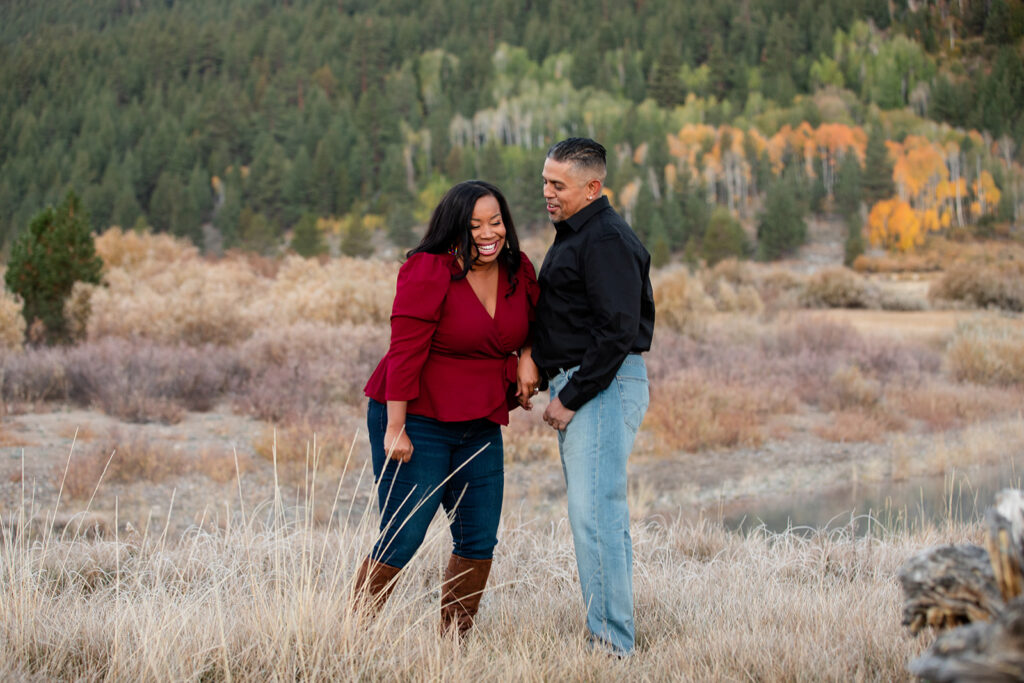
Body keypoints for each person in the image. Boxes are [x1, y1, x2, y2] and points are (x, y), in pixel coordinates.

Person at [356, 180, 541, 637]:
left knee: (478, 537)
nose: (487, 233)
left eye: (495, 221)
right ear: (455, 227)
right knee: (404, 532)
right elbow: (404, 351)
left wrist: (527, 358)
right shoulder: (429, 269)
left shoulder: (520, 270)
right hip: (419, 416)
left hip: (479, 420)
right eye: (474, 224)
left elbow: (532, 324)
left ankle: (453, 645)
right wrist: (395, 426)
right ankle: (352, 631)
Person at [532, 138, 655, 656]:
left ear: (592, 187)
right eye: (545, 181)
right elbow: (575, 317)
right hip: (588, 382)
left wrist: (572, 395)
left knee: (595, 517)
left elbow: (617, 329)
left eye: (557, 185)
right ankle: (613, 634)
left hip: (600, 386)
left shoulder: (603, 238)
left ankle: (611, 646)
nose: (547, 193)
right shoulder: (577, 235)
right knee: (599, 517)